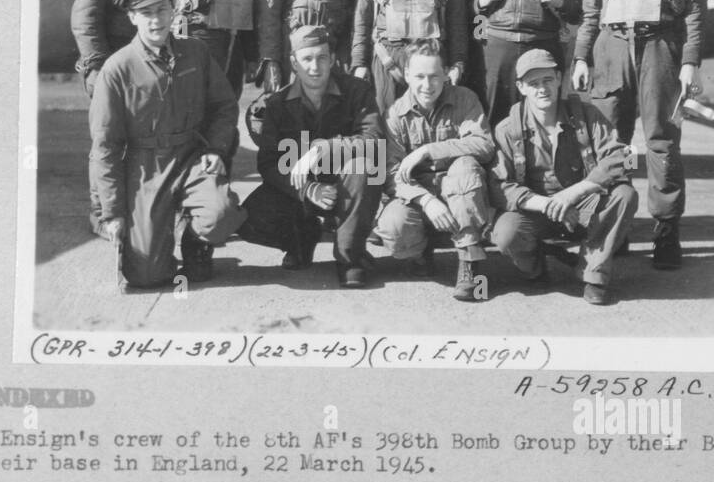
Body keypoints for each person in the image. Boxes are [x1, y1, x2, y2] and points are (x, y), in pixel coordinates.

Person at [571, 0, 707, 269]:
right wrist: (582, 56)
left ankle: (666, 233)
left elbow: (696, 8)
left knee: (661, 142)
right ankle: (618, 225)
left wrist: (690, 62)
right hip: (611, 48)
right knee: (612, 141)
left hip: (658, 47)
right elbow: (591, 9)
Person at [89, 0, 246, 289]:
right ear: (133, 17)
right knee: (146, 275)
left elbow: (225, 106)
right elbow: (104, 147)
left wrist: (215, 149)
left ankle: (194, 238)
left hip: (190, 156)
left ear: (173, 10)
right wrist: (111, 213)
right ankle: (151, 238)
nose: (156, 20)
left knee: (222, 214)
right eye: (146, 13)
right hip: (145, 167)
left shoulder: (196, 53)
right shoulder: (117, 70)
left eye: (162, 9)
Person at [237, 25, 384, 289]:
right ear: (294, 62)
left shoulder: (357, 91)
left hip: (347, 182)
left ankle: (350, 256)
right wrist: (308, 189)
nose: (315, 67)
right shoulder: (277, 104)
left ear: (332, 59)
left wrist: (323, 149)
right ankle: (301, 240)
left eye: (322, 57)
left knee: (368, 168)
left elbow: (374, 141)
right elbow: (269, 164)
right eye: (307, 59)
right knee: (249, 218)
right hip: (303, 187)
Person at [490, 50, 637, 305]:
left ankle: (593, 273)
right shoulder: (506, 129)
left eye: (547, 80)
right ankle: (535, 266)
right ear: (521, 88)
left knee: (625, 195)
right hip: (536, 211)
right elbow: (500, 186)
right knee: (505, 232)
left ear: (559, 78)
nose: (542, 89)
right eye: (533, 84)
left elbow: (622, 156)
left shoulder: (587, 115)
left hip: (581, 206)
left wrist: (575, 192)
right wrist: (546, 204)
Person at [71, 0, 165, 235]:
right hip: (109, 68)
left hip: (141, 68)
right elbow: (84, 18)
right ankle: (101, 215)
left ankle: (133, 207)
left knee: (138, 140)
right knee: (106, 143)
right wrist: (97, 69)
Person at [378, 41, 495, 302]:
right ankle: (420, 252)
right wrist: (427, 200)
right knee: (392, 226)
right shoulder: (395, 115)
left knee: (465, 168)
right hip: (421, 198)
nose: (427, 85)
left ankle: (468, 260)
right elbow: (390, 173)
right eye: (419, 77)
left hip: (459, 193)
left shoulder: (465, 99)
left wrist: (430, 150)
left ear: (445, 74)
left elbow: (484, 144)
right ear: (406, 75)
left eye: (434, 76)